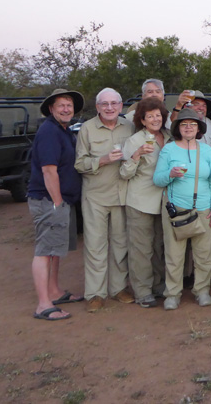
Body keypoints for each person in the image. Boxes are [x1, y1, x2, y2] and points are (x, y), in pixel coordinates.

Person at [74, 88, 135, 312]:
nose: (109, 108)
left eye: (114, 103)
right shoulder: (87, 129)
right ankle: (95, 293)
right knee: (95, 246)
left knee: (121, 245)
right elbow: (79, 164)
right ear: (98, 107)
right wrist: (103, 159)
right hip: (95, 197)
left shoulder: (129, 126)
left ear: (121, 106)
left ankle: (118, 288)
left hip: (122, 194)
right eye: (104, 104)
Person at [153, 108, 211, 310]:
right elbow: (157, 179)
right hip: (177, 210)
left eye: (192, 124)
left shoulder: (207, 150)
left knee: (204, 254)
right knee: (174, 255)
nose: (188, 128)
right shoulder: (169, 150)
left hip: (203, 209)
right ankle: (172, 293)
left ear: (199, 128)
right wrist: (171, 174)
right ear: (177, 128)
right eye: (184, 124)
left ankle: (202, 290)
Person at [28, 89, 85, 320]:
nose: (66, 109)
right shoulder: (49, 132)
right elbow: (48, 171)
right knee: (45, 251)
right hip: (48, 200)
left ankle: (54, 291)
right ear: (51, 109)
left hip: (61, 201)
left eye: (69, 105)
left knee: (55, 250)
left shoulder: (64, 131)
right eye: (61, 105)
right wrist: (58, 202)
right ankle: (43, 304)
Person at [119, 97, 172, 308]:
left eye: (158, 115)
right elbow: (124, 173)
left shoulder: (168, 137)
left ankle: (158, 286)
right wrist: (137, 154)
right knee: (141, 249)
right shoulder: (135, 140)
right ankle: (142, 291)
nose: (155, 119)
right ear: (142, 119)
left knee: (160, 247)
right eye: (150, 116)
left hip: (165, 201)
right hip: (141, 201)